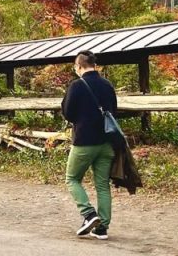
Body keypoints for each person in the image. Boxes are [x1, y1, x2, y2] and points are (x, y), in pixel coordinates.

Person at [61, 50, 117, 240]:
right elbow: (113, 110)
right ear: (95, 65)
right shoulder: (107, 85)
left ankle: (88, 214)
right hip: (107, 142)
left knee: (72, 178)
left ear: (79, 66)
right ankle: (102, 228)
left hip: (84, 141)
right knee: (102, 185)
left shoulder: (77, 85)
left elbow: (68, 113)